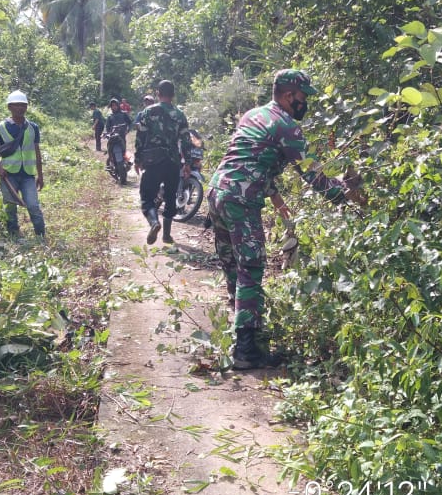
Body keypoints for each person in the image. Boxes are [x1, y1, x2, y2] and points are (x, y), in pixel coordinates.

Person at [207, 69, 363, 370]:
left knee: (232, 263)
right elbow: (315, 179)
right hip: (240, 197)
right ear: (290, 95)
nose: (305, 104)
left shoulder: (254, 115)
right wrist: (346, 190)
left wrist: (278, 200)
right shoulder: (286, 126)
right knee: (251, 267)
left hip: (217, 191)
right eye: (303, 98)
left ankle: (240, 328)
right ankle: (246, 349)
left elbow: (251, 158)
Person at [134, 80, 192, 246]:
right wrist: (187, 163)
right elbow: (186, 140)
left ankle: (154, 222)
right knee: (170, 196)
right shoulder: (180, 115)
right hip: (173, 161)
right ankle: (166, 235)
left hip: (153, 161)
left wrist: (138, 160)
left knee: (147, 197)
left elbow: (140, 137)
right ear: (173, 95)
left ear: (158, 93)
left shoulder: (147, 112)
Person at [0, 90, 45, 239]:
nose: (20, 108)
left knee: (33, 205)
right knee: (10, 207)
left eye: (23, 105)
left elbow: (37, 153)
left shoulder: (33, 128)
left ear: (26, 107)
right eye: (16, 105)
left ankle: (41, 235)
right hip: (8, 175)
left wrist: (40, 175)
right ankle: (14, 234)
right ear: (10, 107)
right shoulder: (0, 128)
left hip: (27, 175)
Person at [103, 97, 133, 169]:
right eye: (112, 105)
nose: (114, 107)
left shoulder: (124, 114)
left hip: (121, 136)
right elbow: (107, 126)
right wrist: (105, 133)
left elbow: (130, 123)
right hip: (112, 136)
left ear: (118, 105)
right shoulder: (110, 116)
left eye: (115, 105)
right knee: (110, 148)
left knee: (123, 150)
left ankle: (126, 161)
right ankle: (111, 161)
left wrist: (128, 130)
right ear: (111, 106)